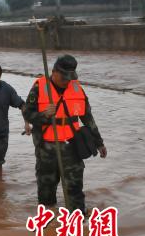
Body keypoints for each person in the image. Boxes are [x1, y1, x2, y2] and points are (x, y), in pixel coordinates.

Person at [23, 55, 107, 212]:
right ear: (54, 71)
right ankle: (50, 225)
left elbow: (88, 118)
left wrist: (99, 142)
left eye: (70, 77)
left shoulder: (77, 88)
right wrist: (44, 115)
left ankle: (78, 224)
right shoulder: (39, 87)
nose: (66, 81)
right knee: (46, 189)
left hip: (72, 145)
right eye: (63, 77)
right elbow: (27, 113)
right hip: (46, 147)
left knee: (74, 187)